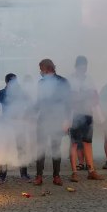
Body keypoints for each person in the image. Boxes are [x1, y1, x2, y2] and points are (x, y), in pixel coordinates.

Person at [34, 58, 70, 186]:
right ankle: (39, 176)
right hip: (43, 120)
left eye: (41, 69)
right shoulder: (41, 83)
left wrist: (67, 120)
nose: (40, 72)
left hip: (57, 120)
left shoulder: (63, 82)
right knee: (40, 149)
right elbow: (39, 102)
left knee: (56, 149)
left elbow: (68, 102)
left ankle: (56, 176)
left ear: (47, 68)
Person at [0, 73, 31, 183]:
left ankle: (24, 174)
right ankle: (2, 176)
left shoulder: (21, 93)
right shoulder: (2, 93)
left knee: (21, 149)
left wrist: (25, 116)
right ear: (7, 83)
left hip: (19, 124)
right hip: (6, 124)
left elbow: (30, 105)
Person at [67, 56, 102, 181]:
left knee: (88, 143)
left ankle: (91, 171)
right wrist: (84, 96)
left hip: (88, 114)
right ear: (76, 66)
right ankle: (74, 172)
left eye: (85, 66)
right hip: (75, 114)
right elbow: (71, 97)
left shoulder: (89, 79)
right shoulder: (71, 80)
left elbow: (95, 97)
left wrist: (85, 96)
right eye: (81, 66)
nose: (84, 69)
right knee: (74, 143)